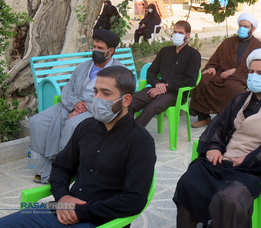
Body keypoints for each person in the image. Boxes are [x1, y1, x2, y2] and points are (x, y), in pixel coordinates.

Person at [0, 66, 156, 227]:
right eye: (95, 92)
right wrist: (62, 197)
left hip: (100, 220)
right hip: (62, 208)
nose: (97, 98)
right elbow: (61, 167)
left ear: (126, 100)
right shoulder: (86, 127)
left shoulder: (140, 141)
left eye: (106, 93)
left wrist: (80, 212)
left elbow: (133, 201)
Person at [174, 49, 261, 227]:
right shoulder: (240, 99)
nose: (253, 76)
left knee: (229, 198)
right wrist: (215, 146)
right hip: (224, 159)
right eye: (251, 72)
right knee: (188, 183)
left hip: (253, 168)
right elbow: (220, 125)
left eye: (260, 73)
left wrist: (249, 159)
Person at [29, 28, 123, 184]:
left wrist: (83, 109)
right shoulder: (84, 66)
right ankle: (47, 162)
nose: (95, 51)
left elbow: (113, 100)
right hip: (71, 105)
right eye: (94, 47)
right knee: (37, 121)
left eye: (99, 48)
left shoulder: (119, 72)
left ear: (110, 51)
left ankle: (63, 166)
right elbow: (68, 88)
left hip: (95, 110)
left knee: (73, 124)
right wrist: (75, 104)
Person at [189, 13, 261, 128]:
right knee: (202, 80)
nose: (242, 29)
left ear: (253, 29)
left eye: (246, 26)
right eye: (240, 26)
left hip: (241, 76)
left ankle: (227, 119)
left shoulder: (259, 47)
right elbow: (215, 59)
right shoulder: (228, 42)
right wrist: (212, 67)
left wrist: (235, 71)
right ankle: (204, 117)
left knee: (234, 88)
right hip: (221, 74)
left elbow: (258, 68)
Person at [129, 20, 201, 126]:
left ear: (188, 35)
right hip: (157, 87)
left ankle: (133, 134)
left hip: (176, 94)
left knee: (151, 108)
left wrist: (166, 88)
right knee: (130, 102)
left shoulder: (194, 55)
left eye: (180, 33)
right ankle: (124, 129)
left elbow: (191, 81)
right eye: (175, 32)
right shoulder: (165, 51)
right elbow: (151, 71)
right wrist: (157, 84)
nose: (176, 35)